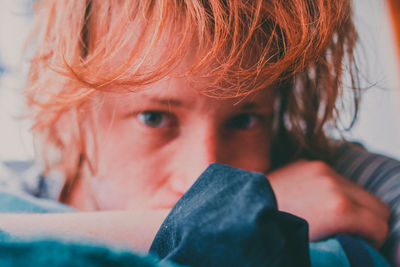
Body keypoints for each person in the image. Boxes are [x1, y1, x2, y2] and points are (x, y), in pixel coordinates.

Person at [0, 0, 399, 266]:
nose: (205, 177)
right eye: (154, 118)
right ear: (68, 114)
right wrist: (232, 214)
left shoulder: (339, 180)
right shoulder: (10, 192)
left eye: (244, 121)